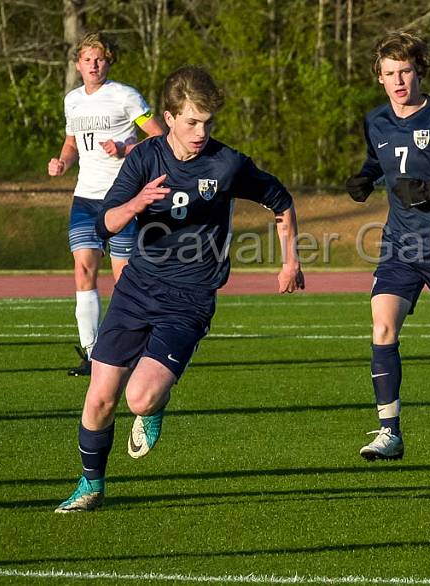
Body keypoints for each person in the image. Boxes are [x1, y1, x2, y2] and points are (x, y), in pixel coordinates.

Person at [55, 65, 304, 512]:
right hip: (136, 288)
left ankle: (153, 409)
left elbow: (280, 200)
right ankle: (90, 485)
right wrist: (135, 203)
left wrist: (291, 261)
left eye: (207, 122)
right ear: (168, 118)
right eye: (191, 121)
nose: (200, 131)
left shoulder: (227, 164)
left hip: (189, 298)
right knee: (99, 398)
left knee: (139, 397)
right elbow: (105, 223)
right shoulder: (144, 158)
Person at [345, 31, 430, 461]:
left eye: (405, 71)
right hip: (399, 244)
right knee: (382, 326)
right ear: (379, 78)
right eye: (389, 73)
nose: (398, 81)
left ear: (420, 72)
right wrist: (364, 177)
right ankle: (389, 432)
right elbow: (376, 160)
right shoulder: (375, 120)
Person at [48, 31, 165, 377]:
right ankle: (90, 353)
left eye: (99, 59)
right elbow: (71, 144)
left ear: (107, 61)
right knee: (83, 269)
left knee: (124, 278)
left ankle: (130, 349)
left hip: (122, 199)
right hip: (85, 197)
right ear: (78, 65)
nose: (94, 65)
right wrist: (62, 162)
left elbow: (159, 137)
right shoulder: (72, 101)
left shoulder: (125, 96)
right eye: (87, 59)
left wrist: (126, 149)